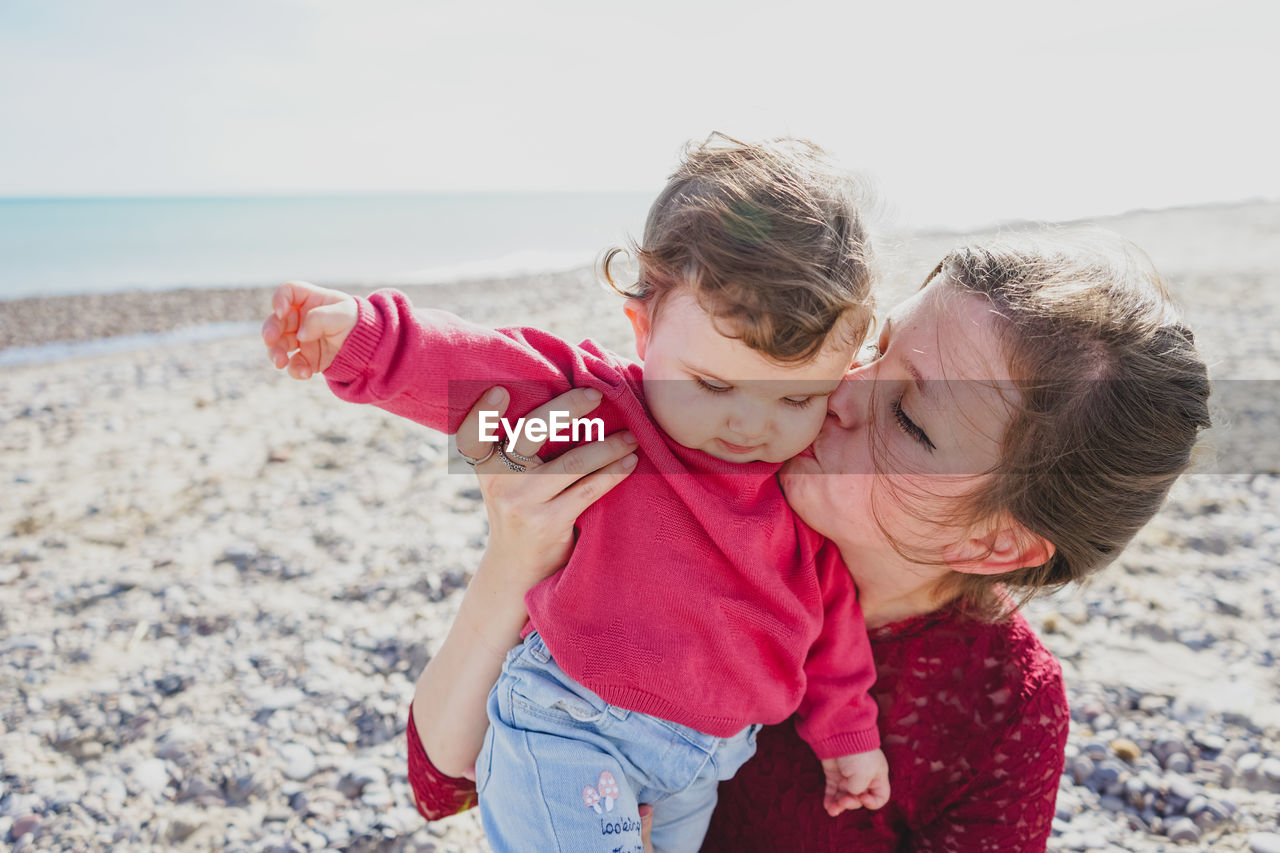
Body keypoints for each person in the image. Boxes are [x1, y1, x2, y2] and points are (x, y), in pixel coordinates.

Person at [403, 234, 1212, 851]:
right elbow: (442, 782)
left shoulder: (1005, 707)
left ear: (997, 540)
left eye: (909, 418)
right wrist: (514, 554)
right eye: (877, 348)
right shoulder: (696, 465)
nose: (840, 393)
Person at [262, 137, 895, 852]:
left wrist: (847, 734)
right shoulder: (597, 409)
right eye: (714, 385)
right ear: (644, 325)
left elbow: (827, 623)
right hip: (573, 725)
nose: (750, 425)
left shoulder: (799, 488)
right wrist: (361, 338)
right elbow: (478, 371)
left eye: (796, 398)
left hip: (703, 764)